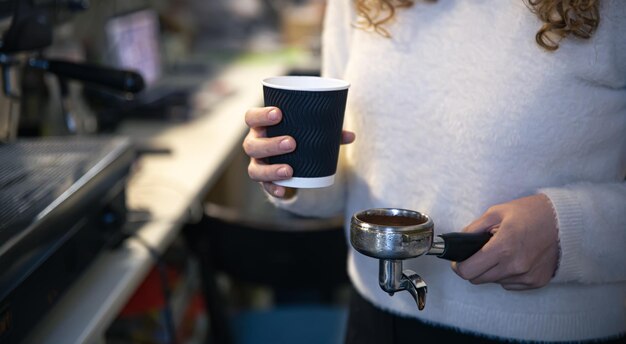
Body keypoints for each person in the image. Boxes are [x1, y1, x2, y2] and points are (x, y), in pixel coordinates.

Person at [243, 0, 626, 342]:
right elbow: (348, 173)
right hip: (377, 316)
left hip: (548, 330)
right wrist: (290, 171)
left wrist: (570, 232)